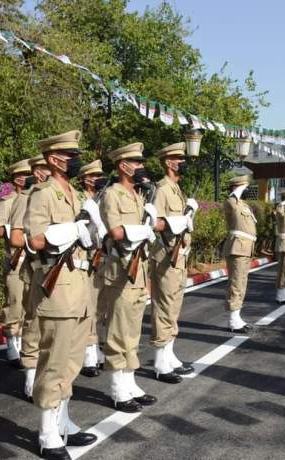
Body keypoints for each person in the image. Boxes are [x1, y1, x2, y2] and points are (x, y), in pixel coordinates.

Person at [24, 130, 98, 459]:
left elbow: (90, 241)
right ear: (54, 160)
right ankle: (46, 429)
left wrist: (92, 228)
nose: (76, 160)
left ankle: (63, 420)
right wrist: (72, 231)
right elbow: (35, 239)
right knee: (54, 361)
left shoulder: (75, 194)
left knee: (72, 360)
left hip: (80, 287)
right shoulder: (42, 194)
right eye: (71, 155)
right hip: (58, 288)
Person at [100, 142, 162, 412]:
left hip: (138, 271)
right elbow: (115, 232)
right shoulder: (113, 194)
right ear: (123, 166)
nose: (141, 167)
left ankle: (129, 380)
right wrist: (141, 230)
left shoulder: (137, 196)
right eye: (136, 163)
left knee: (133, 331)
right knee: (118, 331)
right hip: (121, 271)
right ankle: (116, 387)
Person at [148, 142, 198, 384]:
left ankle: (169, 354)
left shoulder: (176, 188)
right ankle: (159, 360)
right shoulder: (162, 189)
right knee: (164, 306)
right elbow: (155, 223)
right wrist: (177, 222)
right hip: (167, 255)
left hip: (179, 257)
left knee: (174, 307)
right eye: (179, 159)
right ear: (168, 163)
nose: (183, 163)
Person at [10, 154, 51, 401]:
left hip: (58, 270)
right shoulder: (25, 199)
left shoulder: (59, 194)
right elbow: (16, 238)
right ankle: (30, 373)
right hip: (36, 268)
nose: (43, 173)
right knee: (33, 322)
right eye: (40, 169)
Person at [0, 159, 33, 368]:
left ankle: (26, 343)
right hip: (15, 257)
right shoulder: (8, 201)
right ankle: (11, 341)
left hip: (33, 258)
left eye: (27, 174)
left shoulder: (35, 197)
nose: (24, 178)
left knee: (29, 304)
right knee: (14, 302)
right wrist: (15, 229)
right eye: (20, 175)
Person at [77, 159, 108, 378]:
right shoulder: (80, 200)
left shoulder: (103, 200)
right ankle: (88, 354)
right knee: (89, 306)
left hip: (104, 257)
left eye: (100, 177)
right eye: (95, 177)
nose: (98, 180)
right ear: (86, 179)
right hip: (87, 258)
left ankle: (96, 346)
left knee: (101, 307)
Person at [223, 174, 257, 333]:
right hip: (237, 247)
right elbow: (232, 209)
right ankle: (232, 320)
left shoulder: (243, 204)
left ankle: (236, 316)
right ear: (237, 188)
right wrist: (235, 193)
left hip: (245, 248)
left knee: (242, 282)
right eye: (244, 187)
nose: (247, 190)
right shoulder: (231, 202)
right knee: (236, 283)